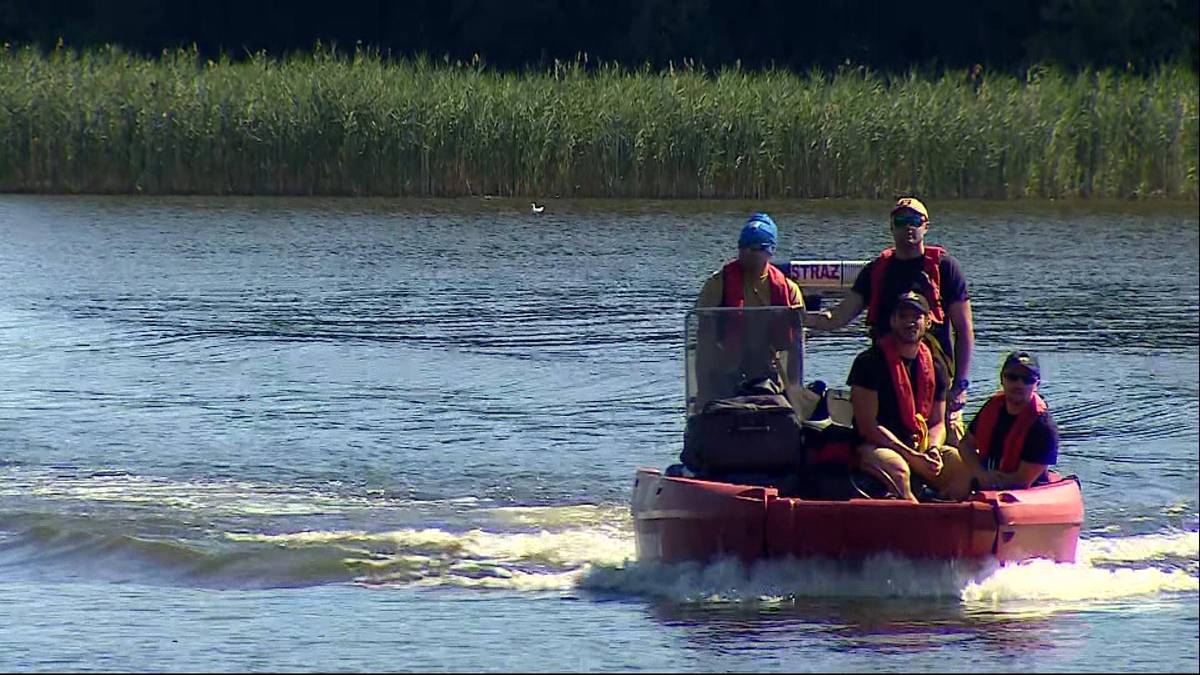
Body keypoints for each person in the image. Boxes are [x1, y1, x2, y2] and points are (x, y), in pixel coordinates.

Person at [808, 197, 975, 444]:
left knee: (950, 441)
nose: (908, 226)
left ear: (925, 226)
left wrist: (960, 386)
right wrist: (797, 317)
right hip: (886, 378)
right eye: (901, 221)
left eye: (915, 220)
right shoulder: (876, 270)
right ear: (891, 227)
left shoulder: (944, 268)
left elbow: (964, 329)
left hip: (935, 379)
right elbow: (838, 317)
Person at [847, 290, 957, 502]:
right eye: (903, 316)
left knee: (959, 470)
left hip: (919, 447)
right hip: (874, 447)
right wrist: (912, 458)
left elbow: (937, 422)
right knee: (899, 471)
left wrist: (933, 449)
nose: (910, 322)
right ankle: (918, 522)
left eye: (916, 317)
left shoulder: (936, 365)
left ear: (927, 322)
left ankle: (950, 518)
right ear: (892, 321)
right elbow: (868, 427)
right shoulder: (868, 363)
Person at [694, 213, 806, 407]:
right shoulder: (718, 283)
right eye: (743, 247)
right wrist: (703, 389)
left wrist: (794, 390)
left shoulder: (788, 289)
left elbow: (797, 344)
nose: (746, 254)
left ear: (769, 251)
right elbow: (704, 340)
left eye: (754, 249)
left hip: (769, 375)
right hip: (726, 374)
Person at [955, 351, 1059, 490]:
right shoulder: (992, 407)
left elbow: (1022, 481)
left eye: (1027, 379)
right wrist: (980, 474)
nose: (1019, 384)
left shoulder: (1043, 427)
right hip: (989, 478)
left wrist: (987, 481)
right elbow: (966, 445)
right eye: (1012, 377)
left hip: (1025, 493)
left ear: (1036, 384)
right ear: (1002, 379)